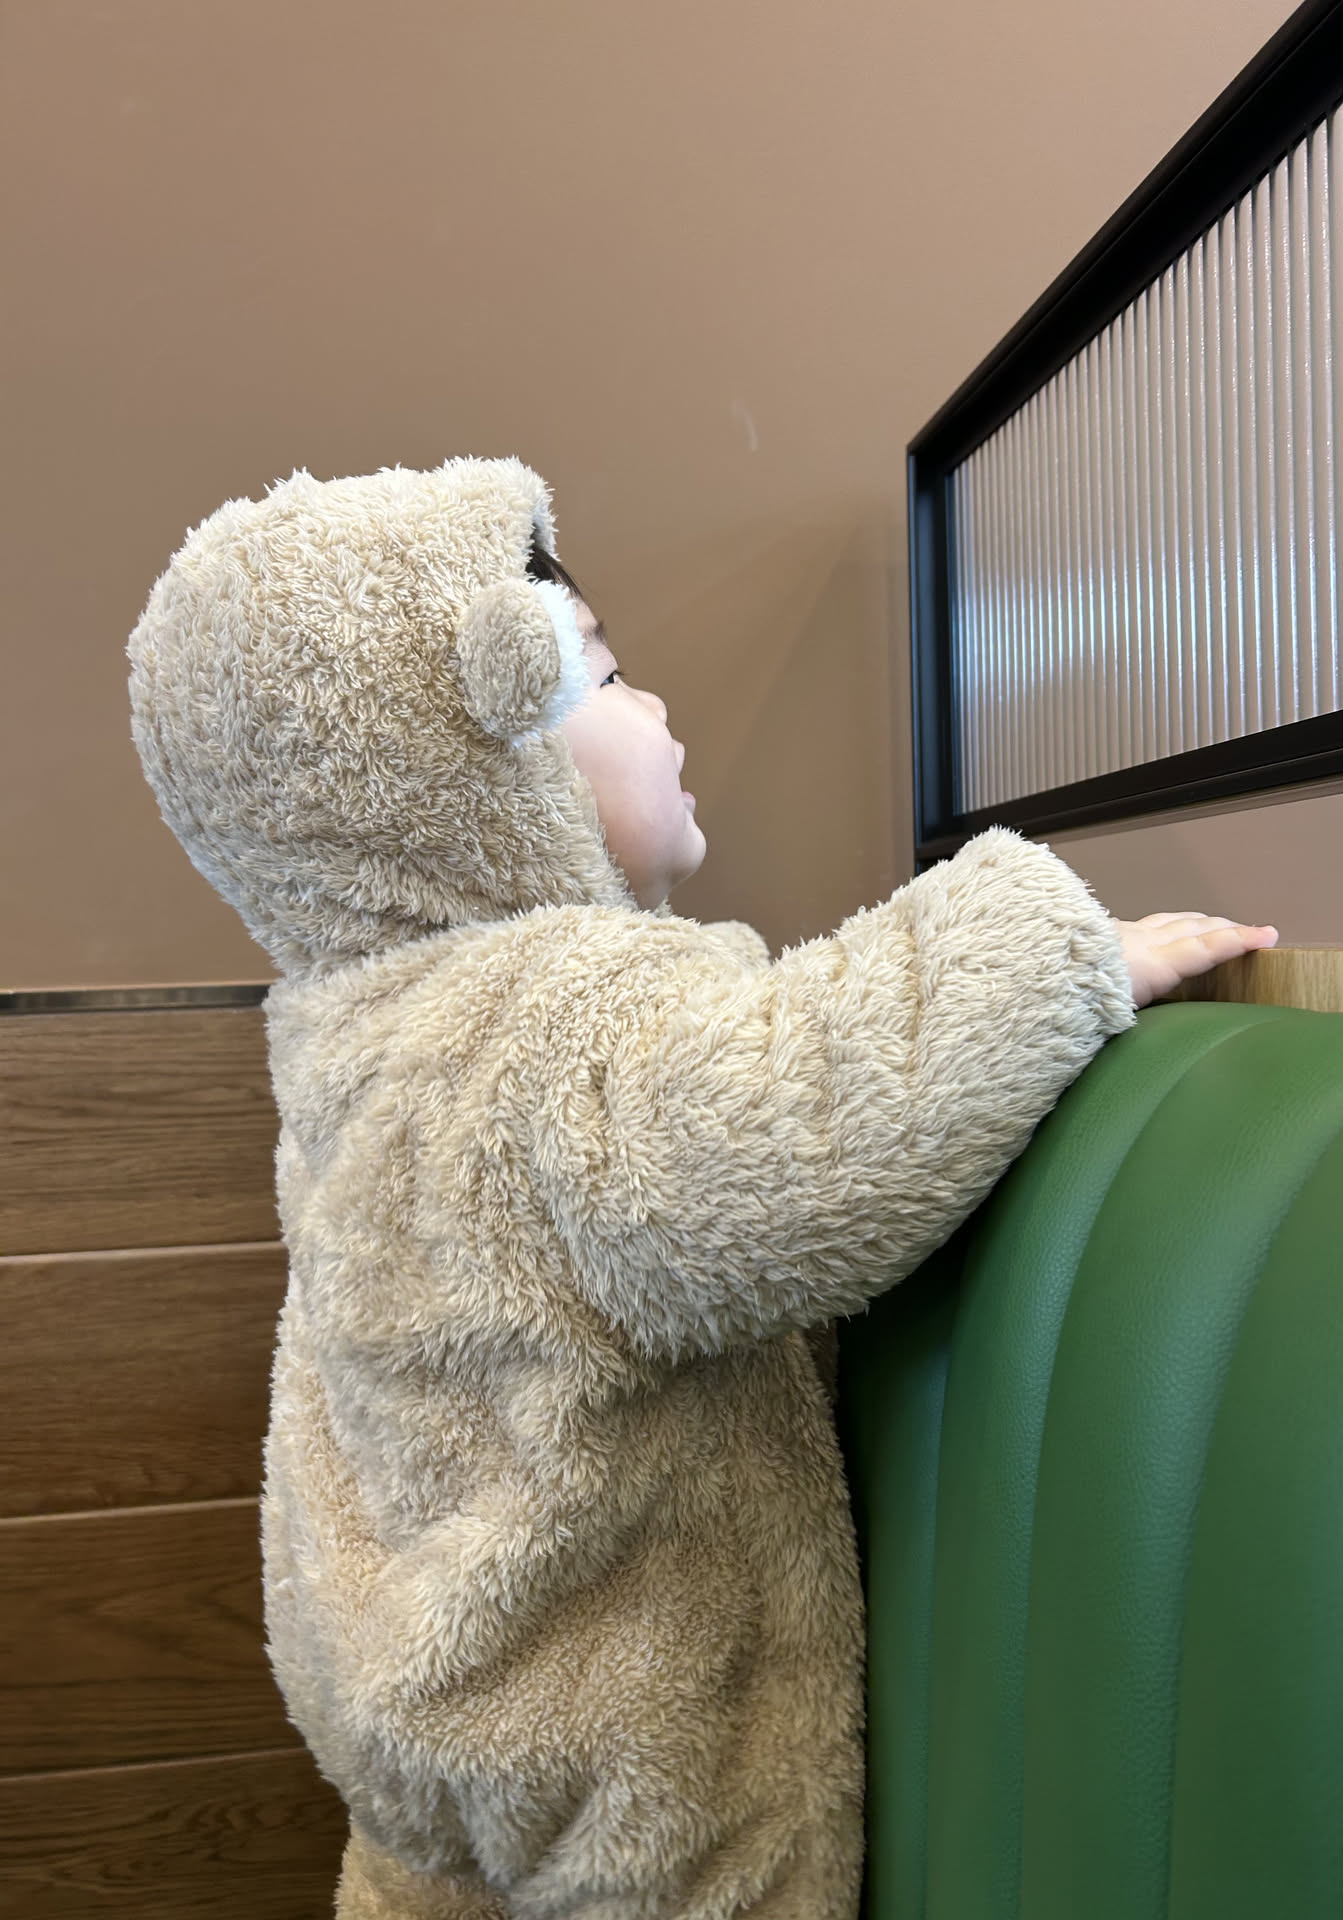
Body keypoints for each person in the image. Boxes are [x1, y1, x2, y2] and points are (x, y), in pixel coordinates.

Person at [127, 456, 1275, 1920]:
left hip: (424, 1725)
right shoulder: (555, 1027)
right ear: (482, 741)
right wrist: (1051, 954)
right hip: (631, 1771)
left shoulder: (357, 1047)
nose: (660, 707)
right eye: (608, 675)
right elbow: (801, 1139)